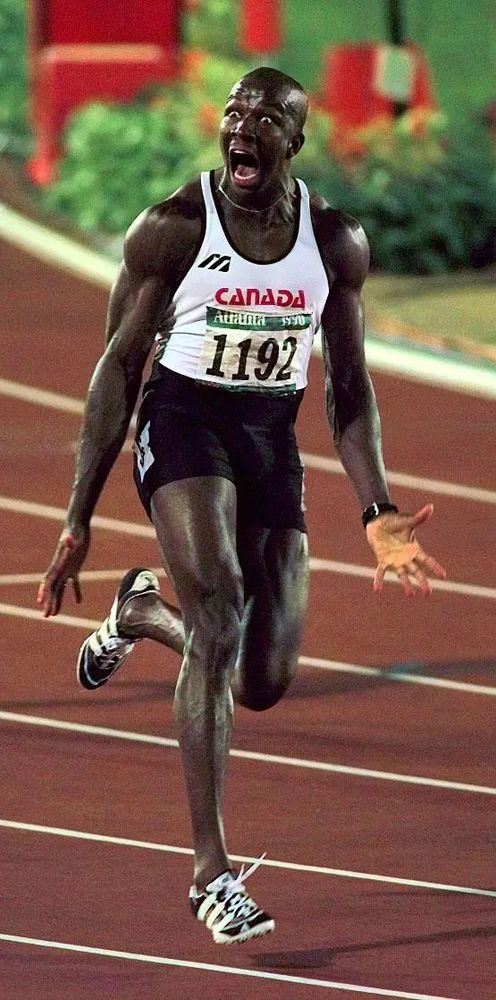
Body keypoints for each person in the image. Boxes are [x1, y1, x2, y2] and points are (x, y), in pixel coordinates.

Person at [38, 67, 446, 945]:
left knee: (261, 680)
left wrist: (378, 510)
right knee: (220, 613)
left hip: (268, 438)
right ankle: (210, 872)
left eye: (265, 117)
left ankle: (145, 613)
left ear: (294, 142)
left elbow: (349, 387)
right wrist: (78, 515)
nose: (242, 126)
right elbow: (117, 369)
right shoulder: (177, 229)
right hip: (184, 425)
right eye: (233, 112)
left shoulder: (334, 244)